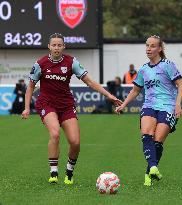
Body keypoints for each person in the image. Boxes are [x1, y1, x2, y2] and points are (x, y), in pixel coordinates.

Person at [21, 33, 122, 185]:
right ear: (49, 46)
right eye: (53, 45)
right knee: (54, 133)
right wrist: (26, 108)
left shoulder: (71, 62)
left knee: (75, 142)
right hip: (46, 104)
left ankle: (69, 171)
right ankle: (53, 172)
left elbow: (89, 82)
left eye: (59, 45)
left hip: (66, 105)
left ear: (63, 47)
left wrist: (109, 95)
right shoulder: (40, 64)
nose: (56, 48)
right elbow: (30, 87)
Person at [115, 35, 182, 186]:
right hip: (149, 105)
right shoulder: (143, 69)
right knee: (147, 135)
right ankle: (154, 167)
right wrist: (124, 105)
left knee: (157, 141)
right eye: (147, 45)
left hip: (167, 107)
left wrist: (178, 104)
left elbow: (181, 85)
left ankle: (149, 172)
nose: (149, 49)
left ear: (159, 49)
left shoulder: (168, 65)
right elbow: (135, 90)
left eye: (153, 46)